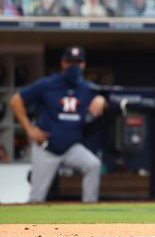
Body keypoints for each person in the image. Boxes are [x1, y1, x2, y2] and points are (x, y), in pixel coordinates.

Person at [8, 46, 106, 202]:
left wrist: (101, 99)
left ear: (83, 64)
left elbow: (105, 100)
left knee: (93, 165)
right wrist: (29, 129)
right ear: (63, 63)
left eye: (77, 62)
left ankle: (90, 209)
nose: (74, 65)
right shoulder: (48, 83)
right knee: (37, 197)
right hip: (46, 146)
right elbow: (15, 100)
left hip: (71, 147)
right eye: (70, 61)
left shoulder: (87, 88)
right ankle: (29, 226)